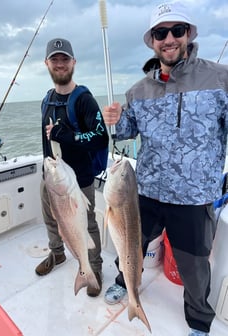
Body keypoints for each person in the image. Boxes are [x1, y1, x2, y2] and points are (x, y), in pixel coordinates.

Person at [102, 2, 228, 335]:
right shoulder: (138, 90)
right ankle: (125, 283)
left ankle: (199, 319)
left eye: (176, 31)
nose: (168, 39)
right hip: (146, 191)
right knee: (132, 244)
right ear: (152, 41)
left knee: (194, 265)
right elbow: (125, 132)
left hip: (195, 196)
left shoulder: (220, 78)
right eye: (160, 33)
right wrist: (113, 119)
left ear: (189, 34)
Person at [35, 37, 109, 298]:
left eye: (64, 59)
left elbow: (101, 137)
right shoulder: (46, 100)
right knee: (51, 220)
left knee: (86, 225)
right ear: (47, 63)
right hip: (52, 178)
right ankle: (57, 253)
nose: (60, 64)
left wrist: (72, 137)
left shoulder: (84, 100)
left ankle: (92, 268)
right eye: (54, 59)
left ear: (73, 62)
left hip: (79, 181)